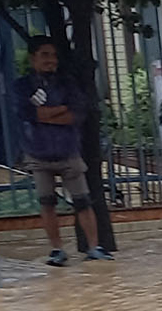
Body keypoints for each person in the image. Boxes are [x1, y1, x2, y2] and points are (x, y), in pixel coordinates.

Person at [13, 37, 107, 266]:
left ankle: (94, 248)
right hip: (38, 152)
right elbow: (29, 114)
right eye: (45, 55)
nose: (51, 60)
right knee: (47, 202)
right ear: (33, 57)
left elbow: (77, 114)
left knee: (82, 201)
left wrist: (49, 114)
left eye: (53, 55)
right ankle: (57, 250)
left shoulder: (67, 83)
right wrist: (58, 111)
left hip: (68, 151)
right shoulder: (22, 86)